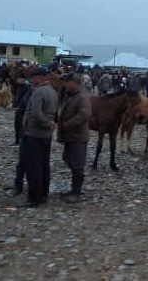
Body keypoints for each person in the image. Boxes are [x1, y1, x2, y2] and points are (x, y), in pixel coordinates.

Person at [20, 67, 58, 207]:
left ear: (41, 78)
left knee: (33, 166)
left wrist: (47, 123)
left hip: (35, 133)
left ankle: (34, 198)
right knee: (44, 165)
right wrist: (50, 124)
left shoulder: (38, 92)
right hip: (46, 135)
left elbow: (36, 113)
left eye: (34, 77)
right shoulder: (52, 91)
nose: (32, 80)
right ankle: (43, 194)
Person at [57, 73, 92, 203]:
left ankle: (76, 193)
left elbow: (85, 114)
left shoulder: (82, 96)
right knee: (69, 160)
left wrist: (69, 124)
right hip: (70, 136)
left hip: (78, 136)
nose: (64, 84)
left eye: (66, 82)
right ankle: (73, 190)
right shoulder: (70, 94)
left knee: (77, 165)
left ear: (74, 82)